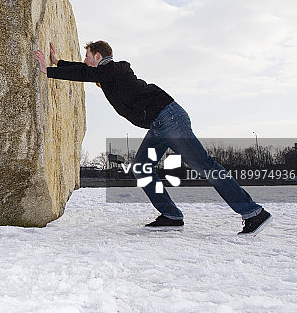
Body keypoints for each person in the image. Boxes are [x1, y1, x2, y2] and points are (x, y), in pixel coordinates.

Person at [33, 41, 272, 236]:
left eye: (87, 56)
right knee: (142, 168)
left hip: (170, 120)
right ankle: (171, 215)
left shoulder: (114, 69)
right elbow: (89, 74)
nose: (85, 60)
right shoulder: (108, 75)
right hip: (160, 125)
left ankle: (253, 212)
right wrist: (59, 63)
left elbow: (88, 73)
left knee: (205, 166)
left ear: (98, 56)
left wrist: (50, 70)